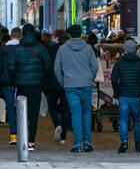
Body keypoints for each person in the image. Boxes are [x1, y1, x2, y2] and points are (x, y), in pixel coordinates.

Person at [54, 24, 98, 153]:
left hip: (70, 85)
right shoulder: (88, 48)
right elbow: (95, 66)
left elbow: (57, 68)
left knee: (75, 113)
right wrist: (90, 77)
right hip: (86, 84)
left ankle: (77, 143)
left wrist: (63, 81)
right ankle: (87, 142)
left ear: (69, 34)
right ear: (80, 34)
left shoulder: (62, 49)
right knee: (86, 112)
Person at [9, 23, 52, 151]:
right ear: (33, 33)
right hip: (36, 86)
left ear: (23, 33)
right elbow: (48, 66)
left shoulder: (16, 49)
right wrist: (41, 78)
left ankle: (22, 139)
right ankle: (31, 142)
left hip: (21, 85)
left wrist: (16, 79)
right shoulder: (41, 48)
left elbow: (11, 68)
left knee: (21, 113)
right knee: (33, 114)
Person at [111, 39, 140, 154]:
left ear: (125, 50)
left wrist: (117, 92)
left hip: (123, 95)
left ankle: (124, 143)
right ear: (135, 50)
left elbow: (113, 79)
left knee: (123, 120)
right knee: (137, 121)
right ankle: (138, 145)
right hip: (135, 96)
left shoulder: (119, 63)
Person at [44, 29, 70, 145]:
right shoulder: (69, 50)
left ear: (57, 37)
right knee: (66, 109)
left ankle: (57, 124)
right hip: (67, 82)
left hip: (53, 82)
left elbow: (48, 66)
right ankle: (63, 136)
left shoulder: (51, 49)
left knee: (52, 106)